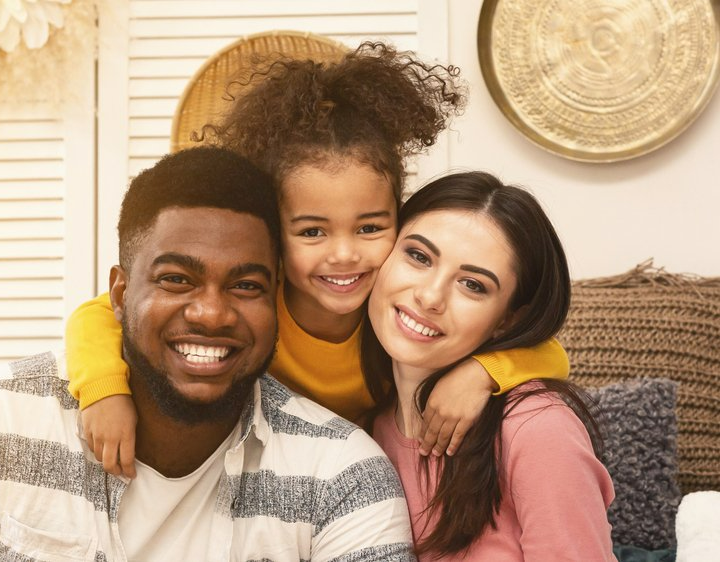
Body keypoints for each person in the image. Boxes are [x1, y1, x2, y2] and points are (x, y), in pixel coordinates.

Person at [66, 42, 571, 479]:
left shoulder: (399, 315)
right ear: (274, 236)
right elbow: (98, 314)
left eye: (371, 227)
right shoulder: (254, 305)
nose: (345, 254)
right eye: (312, 231)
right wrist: (105, 391)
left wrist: (480, 373)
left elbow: (550, 354)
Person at [0, 147, 414, 561]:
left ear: (276, 296)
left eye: (245, 285)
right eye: (176, 279)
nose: (212, 314)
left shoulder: (345, 475)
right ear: (119, 292)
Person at [363, 171, 616, 560]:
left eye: (473, 285)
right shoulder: (367, 428)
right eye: (418, 256)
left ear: (508, 320)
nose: (430, 296)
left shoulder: (536, 429)